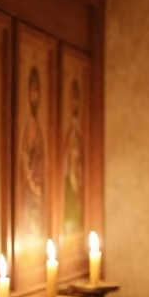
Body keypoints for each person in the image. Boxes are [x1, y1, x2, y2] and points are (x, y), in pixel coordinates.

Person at [20, 64, 46, 237]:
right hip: (29, 189)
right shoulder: (27, 124)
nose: (34, 95)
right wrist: (31, 182)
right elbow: (24, 158)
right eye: (32, 90)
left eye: (37, 91)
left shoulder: (38, 125)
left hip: (38, 189)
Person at [62, 77, 85, 233]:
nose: (75, 104)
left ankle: (76, 222)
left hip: (77, 170)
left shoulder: (80, 127)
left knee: (77, 196)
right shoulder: (69, 128)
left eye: (78, 99)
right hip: (70, 169)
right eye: (73, 100)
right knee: (70, 193)